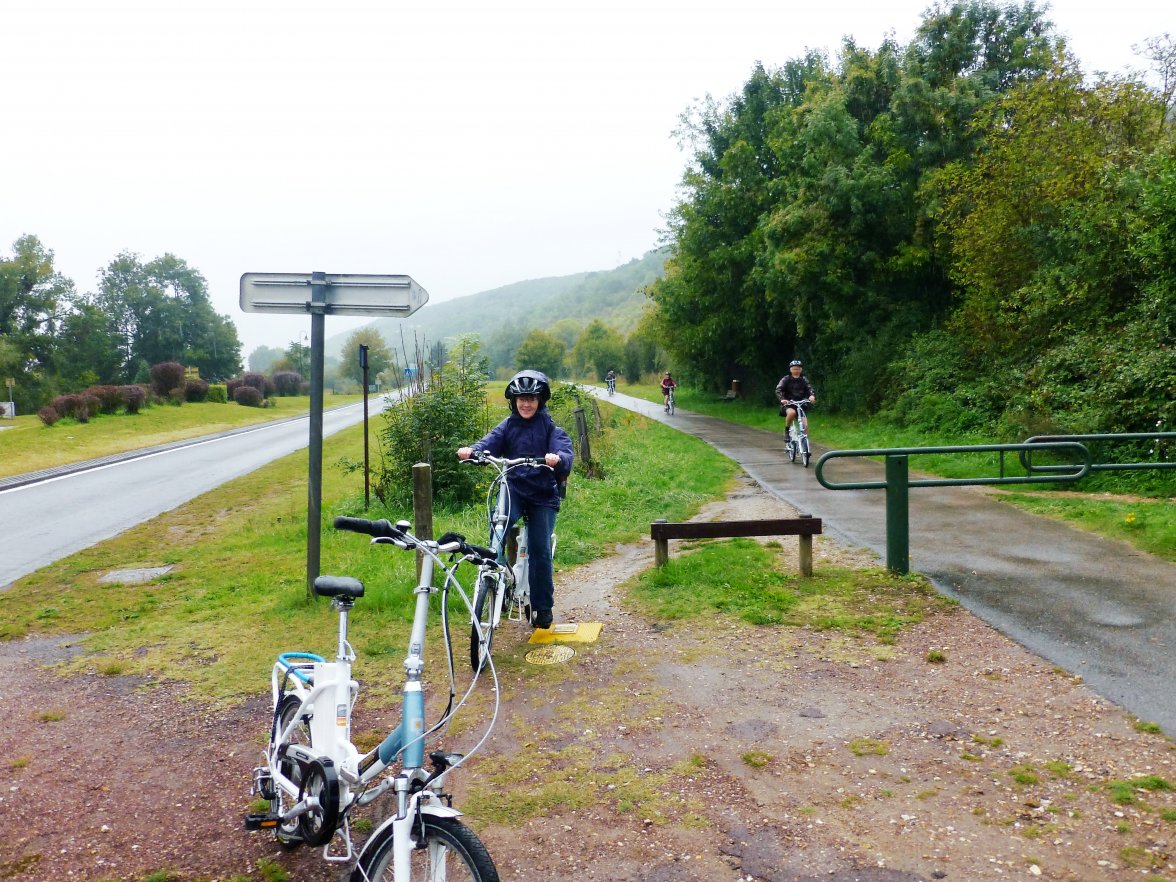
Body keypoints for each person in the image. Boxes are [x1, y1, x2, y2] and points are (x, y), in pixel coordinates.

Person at [457, 370, 573, 629]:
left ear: (540, 400)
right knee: (497, 532)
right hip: (514, 489)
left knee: (539, 549)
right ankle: (493, 581)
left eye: (531, 398)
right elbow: (489, 442)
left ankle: (542, 607)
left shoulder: (551, 428)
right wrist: (473, 452)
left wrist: (558, 458)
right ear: (513, 401)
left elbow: (564, 450)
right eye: (521, 398)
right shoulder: (508, 426)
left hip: (543, 495)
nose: (526, 403)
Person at [775, 360, 816, 433]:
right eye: (794, 368)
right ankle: (787, 430)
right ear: (790, 370)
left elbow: (810, 389)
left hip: (801, 404)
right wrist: (782, 399)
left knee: (805, 426)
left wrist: (811, 396)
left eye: (798, 368)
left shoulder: (804, 379)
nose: (796, 370)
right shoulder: (786, 379)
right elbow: (778, 390)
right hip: (788, 404)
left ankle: (804, 442)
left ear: (801, 370)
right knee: (792, 413)